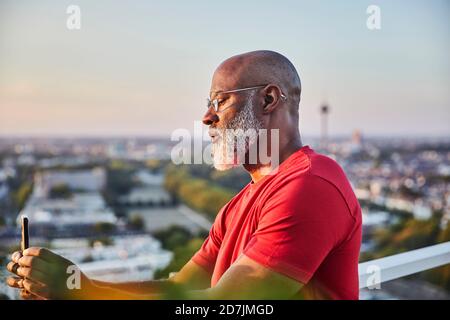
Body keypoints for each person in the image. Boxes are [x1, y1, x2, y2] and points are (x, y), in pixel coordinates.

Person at [6, 50, 362, 300]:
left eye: (220, 101)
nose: (207, 117)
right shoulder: (241, 203)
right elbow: (178, 287)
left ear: (269, 100)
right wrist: (72, 285)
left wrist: (82, 291)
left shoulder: (311, 185)